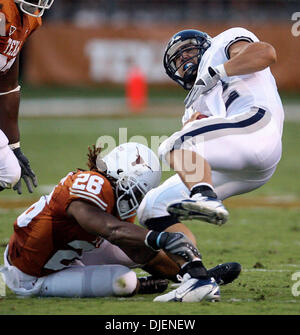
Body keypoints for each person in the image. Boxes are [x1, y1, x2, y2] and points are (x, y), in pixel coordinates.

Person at [136, 27, 283, 300]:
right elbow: (201, 141)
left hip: (257, 126)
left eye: (188, 52)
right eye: (178, 62)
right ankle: (198, 279)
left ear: (204, 46)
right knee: (153, 208)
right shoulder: (192, 102)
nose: (185, 61)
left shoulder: (222, 45)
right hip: (240, 163)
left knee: (175, 144)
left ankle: (205, 197)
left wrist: (218, 71)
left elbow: (266, 53)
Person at [0, 141, 225, 302]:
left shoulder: (113, 196)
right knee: (125, 281)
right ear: (122, 175)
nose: (135, 201)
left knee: (132, 249)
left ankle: (185, 276)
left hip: (64, 248)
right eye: (136, 192)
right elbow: (111, 230)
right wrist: (161, 238)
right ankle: (140, 285)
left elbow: (139, 252)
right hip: (31, 273)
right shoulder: (92, 184)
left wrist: (191, 271)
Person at [0, 0, 54, 194]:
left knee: (9, 171)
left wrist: (15, 147)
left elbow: (8, 86)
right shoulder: (2, 11)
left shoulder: (29, 20)